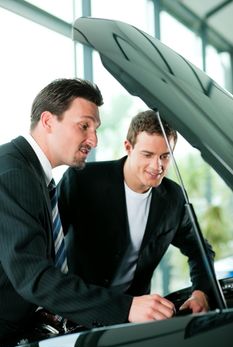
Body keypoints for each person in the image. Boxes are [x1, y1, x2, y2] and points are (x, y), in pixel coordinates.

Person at [0, 81, 176, 347]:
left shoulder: (33, 175)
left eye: (96, 129)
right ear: (48, 121)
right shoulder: (15, 175)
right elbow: (33, 277)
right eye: (84, 126)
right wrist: (126, 307)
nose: (93, 140)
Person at [58, 109, 215, 321]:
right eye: (148, 155)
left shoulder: (174, 198)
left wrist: (201, 292)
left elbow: (200, 249)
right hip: (78, 313)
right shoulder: (82, 181)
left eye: (165, 156)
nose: (157, 166)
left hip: (135, 320)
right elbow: (48, 245)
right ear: (128, 147)